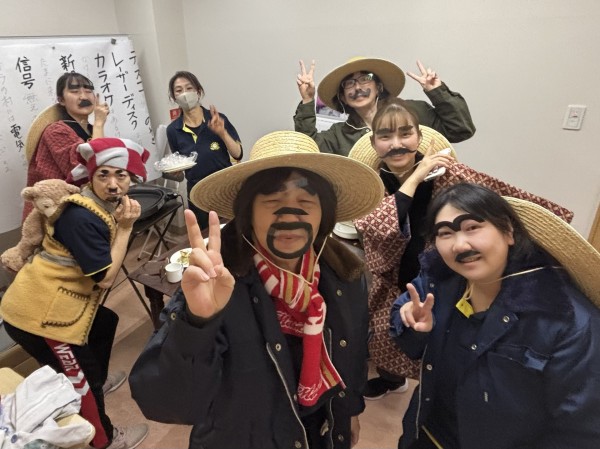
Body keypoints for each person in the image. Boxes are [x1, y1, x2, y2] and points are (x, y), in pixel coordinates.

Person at [129, 131, 385, 449]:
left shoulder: (346, 275)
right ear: (248, 213)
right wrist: (197, 324)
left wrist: (350, 411)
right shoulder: (218, 284)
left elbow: (354, 353)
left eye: (306, 202)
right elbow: (164, 403)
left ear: (324, 214)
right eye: (273, 201)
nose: (289, 215)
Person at [348, 99, 573, 402]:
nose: (397, 144)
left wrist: (551, 228)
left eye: (405, 133)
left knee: (445, 342)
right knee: (392, 335)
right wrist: (414, 179)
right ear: (374, 143)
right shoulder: (371, 185)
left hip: (447, 273)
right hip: (395, 275)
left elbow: (501, 199)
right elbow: (374, 227)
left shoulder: (447, 173)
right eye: (385, 136)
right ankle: (392, 380)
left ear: (418, 137)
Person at [390, 183, 600, 449]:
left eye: (472, 227)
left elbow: (581, 432)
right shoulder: (438, 282)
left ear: (508, 232)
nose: (460, 245)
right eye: (445, 233)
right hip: (425, 434)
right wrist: (413, 326)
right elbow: (406, 336)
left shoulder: (568, 321)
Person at [0, 137, 151, 449]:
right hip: (40, 316)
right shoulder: (80, 216)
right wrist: (125, 229)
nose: (113, 184)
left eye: (121, 175)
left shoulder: (99, 204)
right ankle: (104, 440)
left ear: (132, 179)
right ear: (90, 177)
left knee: (105, 322)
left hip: (60, 300)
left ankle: (95, 382)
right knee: (81, 380)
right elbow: (106, 279)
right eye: (103, 175)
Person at [294, 58, 475, 156]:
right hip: (372, 207)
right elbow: (307, 150)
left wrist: (437, 91)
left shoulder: (412, 111)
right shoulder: (338, 135)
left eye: (365, 79)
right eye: (349, 83)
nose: (358, 88)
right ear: (343, 97)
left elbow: (460, 130)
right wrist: (308, 100)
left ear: (379, 87)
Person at [24, 71, 109, 219]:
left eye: (88, 91)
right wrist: (99, 123)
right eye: (75, 91)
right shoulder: (56, 130)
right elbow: (86, 168)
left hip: (87, 202)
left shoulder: (91, 129)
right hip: (58, 209)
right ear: (61, 100)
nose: (84, 97)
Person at [164, 70, 243, 229]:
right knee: (206, 235)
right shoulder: (173, 130)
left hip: (225, 187)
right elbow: (180, 169)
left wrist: (222, 132)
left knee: (234, 231)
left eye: (189, 88)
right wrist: (175, 172)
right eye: (179, 90)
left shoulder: (217, 119)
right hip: (197, 193)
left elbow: (238, 154)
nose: (185, 94)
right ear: (174, 98)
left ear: (198, 92)